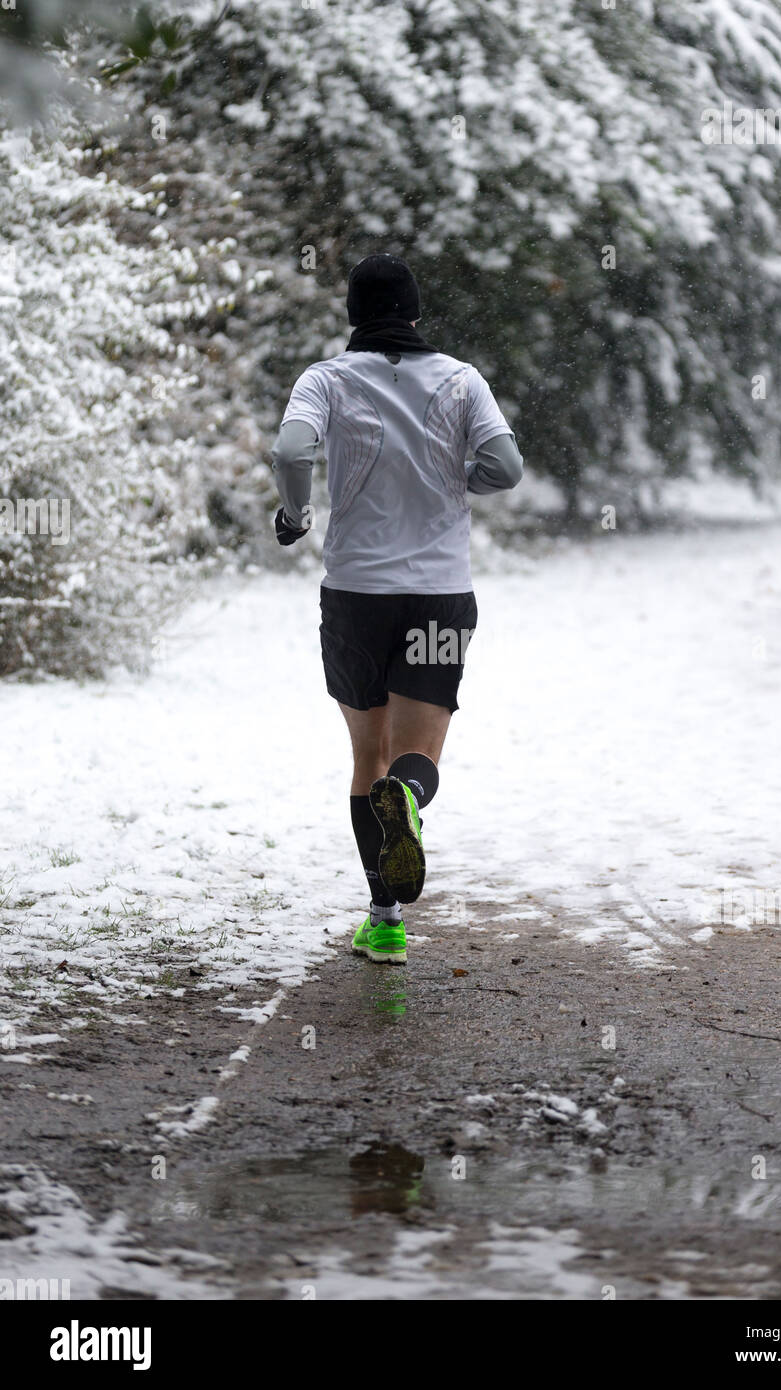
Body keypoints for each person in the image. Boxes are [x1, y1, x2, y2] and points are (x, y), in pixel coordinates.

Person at [271, 253, 523, 963]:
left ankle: (384, 918)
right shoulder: (461, 379)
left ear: (354, 314)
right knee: (414, 758)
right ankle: (411, 798)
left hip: (356, 596)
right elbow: (507, 468)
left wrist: (296, 514)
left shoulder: (326, 379)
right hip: (439, 596)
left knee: (367, 756)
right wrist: (459, 479)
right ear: (415, 313)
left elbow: (291, 448)